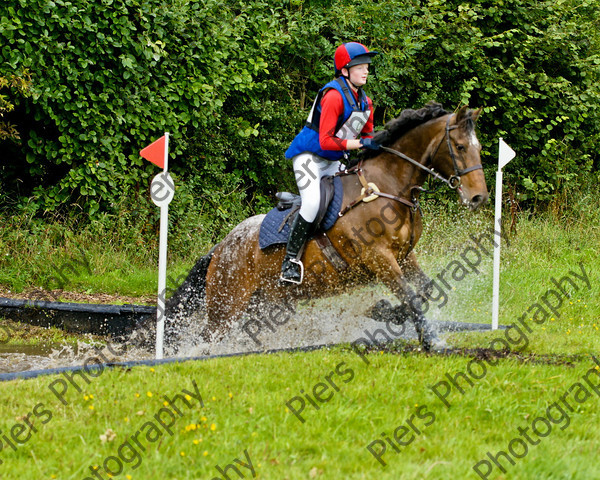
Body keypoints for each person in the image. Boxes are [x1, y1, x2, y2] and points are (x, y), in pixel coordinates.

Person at [280, 42, 381, 284]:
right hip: (309, 158)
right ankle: (289, 262)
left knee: (352, 200)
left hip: (334, 159)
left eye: (367, 66)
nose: (366, 70)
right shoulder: (334, 96)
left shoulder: (364, 101)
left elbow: (367, 134)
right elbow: (325, 140)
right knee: (313, 203)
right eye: (360, 67)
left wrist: (375, 143)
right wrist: (359, 145)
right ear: (345, 70)